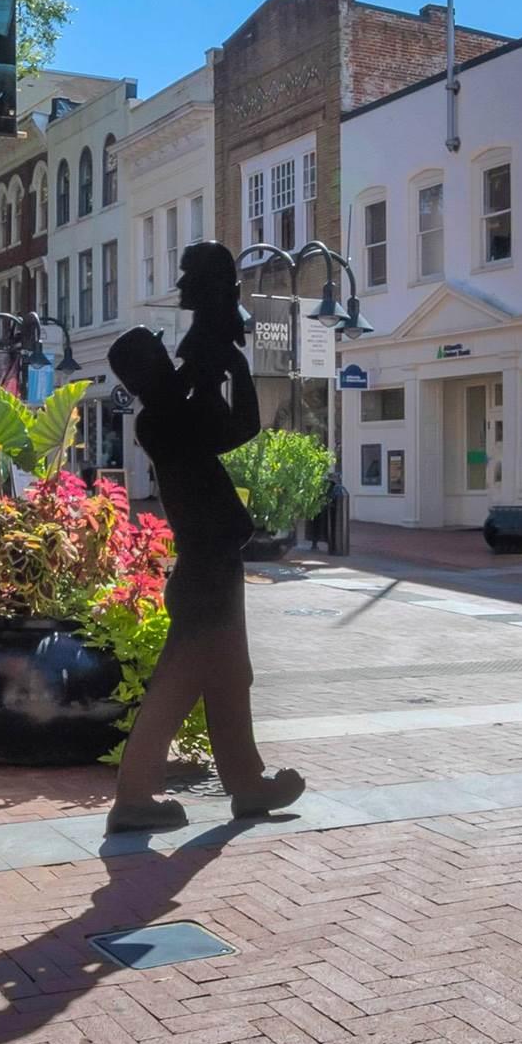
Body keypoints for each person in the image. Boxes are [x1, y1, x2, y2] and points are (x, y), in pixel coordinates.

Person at [105, 243, 305, 832]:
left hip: (212, 562)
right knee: (182, 679)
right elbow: (239, 424)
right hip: (204, 569)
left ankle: (248, 786)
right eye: (157, 359)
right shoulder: (165, 419)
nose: (170, 361)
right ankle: (135, 794)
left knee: (228, 677)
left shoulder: (169, 409)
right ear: (147, 373)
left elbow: (218, 408)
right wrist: (227, 364)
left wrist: (211, 361)